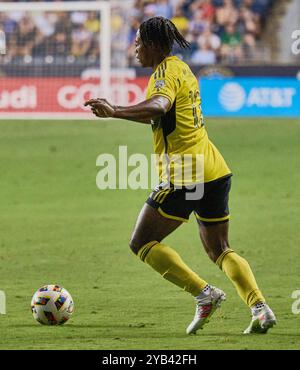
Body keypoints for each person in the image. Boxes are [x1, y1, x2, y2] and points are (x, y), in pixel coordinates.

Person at [84, 16, 276, 335]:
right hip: (215, 168)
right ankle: (259, 307)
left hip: (185, 172)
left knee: (142, 242)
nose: (134, 49)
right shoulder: (181, 68)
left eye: (137, 43)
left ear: (154, 45)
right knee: (220, 249)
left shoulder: (164, 73)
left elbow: (159, 106)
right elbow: (165, 117)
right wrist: (124, 114)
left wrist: (115, 110)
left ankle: (205, 294)